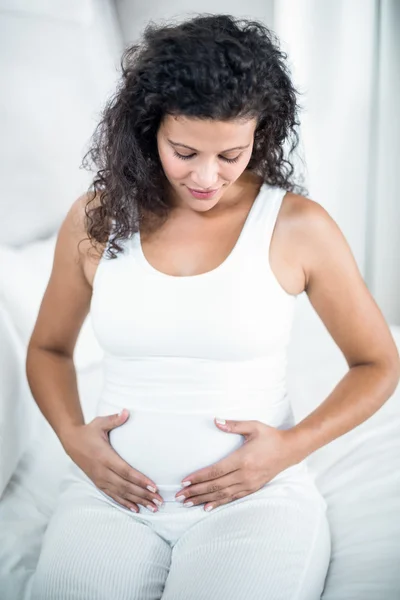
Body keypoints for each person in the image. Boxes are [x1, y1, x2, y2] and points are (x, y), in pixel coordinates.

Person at [27, 13, 399, 600]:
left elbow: (378, 362)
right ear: (148, 130)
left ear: (262, 133)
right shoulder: (97, 218)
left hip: (255, 503)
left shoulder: (297, 225)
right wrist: (73, 438)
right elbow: (49, 348)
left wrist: (289, 447)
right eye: (184, 151)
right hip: (112, 501)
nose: (207, 177)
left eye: (232, 154)